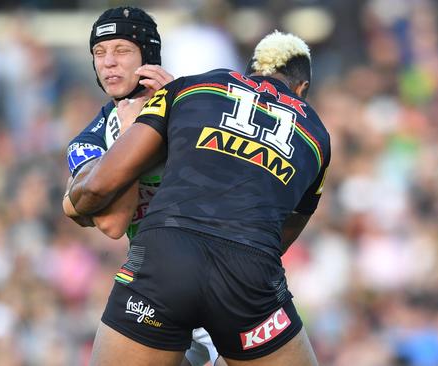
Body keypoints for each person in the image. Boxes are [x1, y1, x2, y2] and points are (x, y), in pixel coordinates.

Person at [66, 30, 330, 365]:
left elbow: (100, 184)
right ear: (302, 89)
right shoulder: (317, 135)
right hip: (247, 273)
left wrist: (73, 203)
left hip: (165, 258)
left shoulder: (192, 87)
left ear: (248, 74)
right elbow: (282, 237)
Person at [63, 6, 223, 366]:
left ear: (148, 56)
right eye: (99, 53)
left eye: (121, 50)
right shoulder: (89, 139)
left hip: (227, 280)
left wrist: (179, 115)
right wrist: (132, 136)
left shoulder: (198, 103)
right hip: (161, 286)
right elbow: (112, 224)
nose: (108, 63)